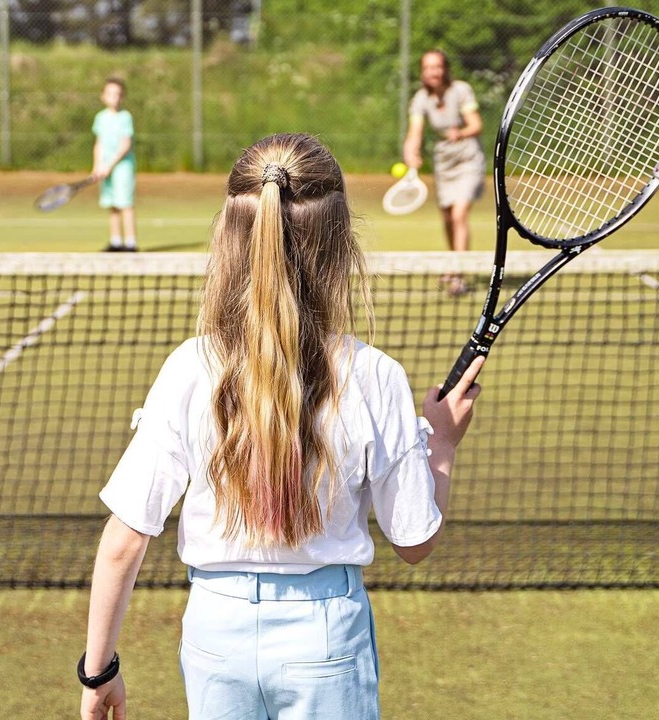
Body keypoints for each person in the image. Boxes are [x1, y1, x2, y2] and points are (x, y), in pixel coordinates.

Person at [77, 133, 485, 720]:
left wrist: (99, 671)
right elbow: (415, 541)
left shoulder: (190, 367)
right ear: (341, 242)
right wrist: (440, 443)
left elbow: (123, 543)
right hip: (327, 635)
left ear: (229, 236)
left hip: (216, 630)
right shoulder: (375, 376)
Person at [402, 50, 485, 297]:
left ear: (445, 68)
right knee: (448, 217)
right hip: (444, 161)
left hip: (468, 158)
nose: (433, 72)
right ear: (422, 72)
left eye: (437, 66)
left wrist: (460, 133)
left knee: (459, 214)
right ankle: (453, 263)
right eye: (428, 67)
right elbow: (414, 133)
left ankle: (458, 275)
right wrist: (411, 154)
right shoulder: (420, 99)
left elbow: (476, 125)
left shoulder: (461, 90)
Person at [91, 77, 137, 252]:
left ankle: (131, 243)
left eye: (118, 94)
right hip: (104, 169)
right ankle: (116, 241)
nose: (114, 97)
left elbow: (126, 145)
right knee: (113, 205)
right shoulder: (100, 118)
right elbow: (99, 143)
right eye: (110, 93)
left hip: (122, 167)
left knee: (125, 204)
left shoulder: (126, 117)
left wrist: (109, 166)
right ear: (103, 96)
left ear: (122, 97)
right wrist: (97, 167)